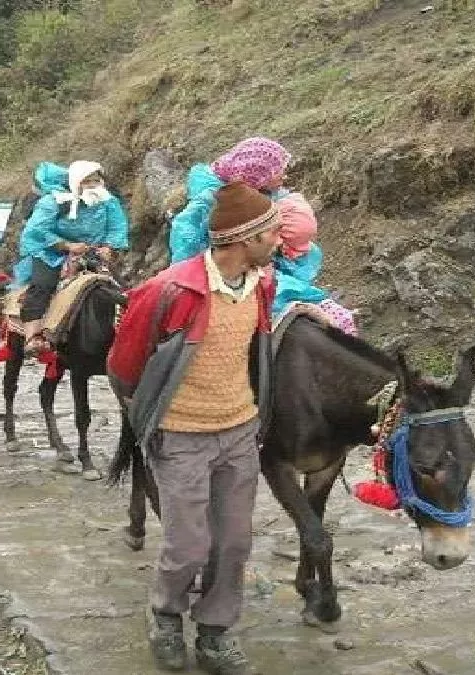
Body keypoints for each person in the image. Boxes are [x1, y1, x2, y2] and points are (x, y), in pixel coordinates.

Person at [108, 182, 280, 675]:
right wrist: (151, 418)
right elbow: (123, 365)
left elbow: (255, 356)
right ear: (245, 238)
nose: (279, 240)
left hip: (240, 432)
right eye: (271, 232)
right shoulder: (171, 290)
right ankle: (165, 614)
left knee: (234, 543)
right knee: (188, 544)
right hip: (180, 435)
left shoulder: (261, 285)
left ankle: (214, 632)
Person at [169, 137, 356, 333]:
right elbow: (185, 241)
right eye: (277, 172)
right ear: (258, 175)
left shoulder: (262, 194)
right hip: (229, 276)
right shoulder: (210, 203)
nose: (284, 177)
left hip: (259, 266)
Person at [14, 160, 130, 355]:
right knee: (43, 286)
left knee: (122, 290)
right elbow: (37, 230)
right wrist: (67, 245)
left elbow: (117, 227)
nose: (93, 185)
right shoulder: (54, 201)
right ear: (76, 182)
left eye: (96, 180)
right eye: (87, 181)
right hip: (51, 252)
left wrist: (109, 247)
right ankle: (32, 337)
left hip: (94, 252)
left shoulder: (108, 201)